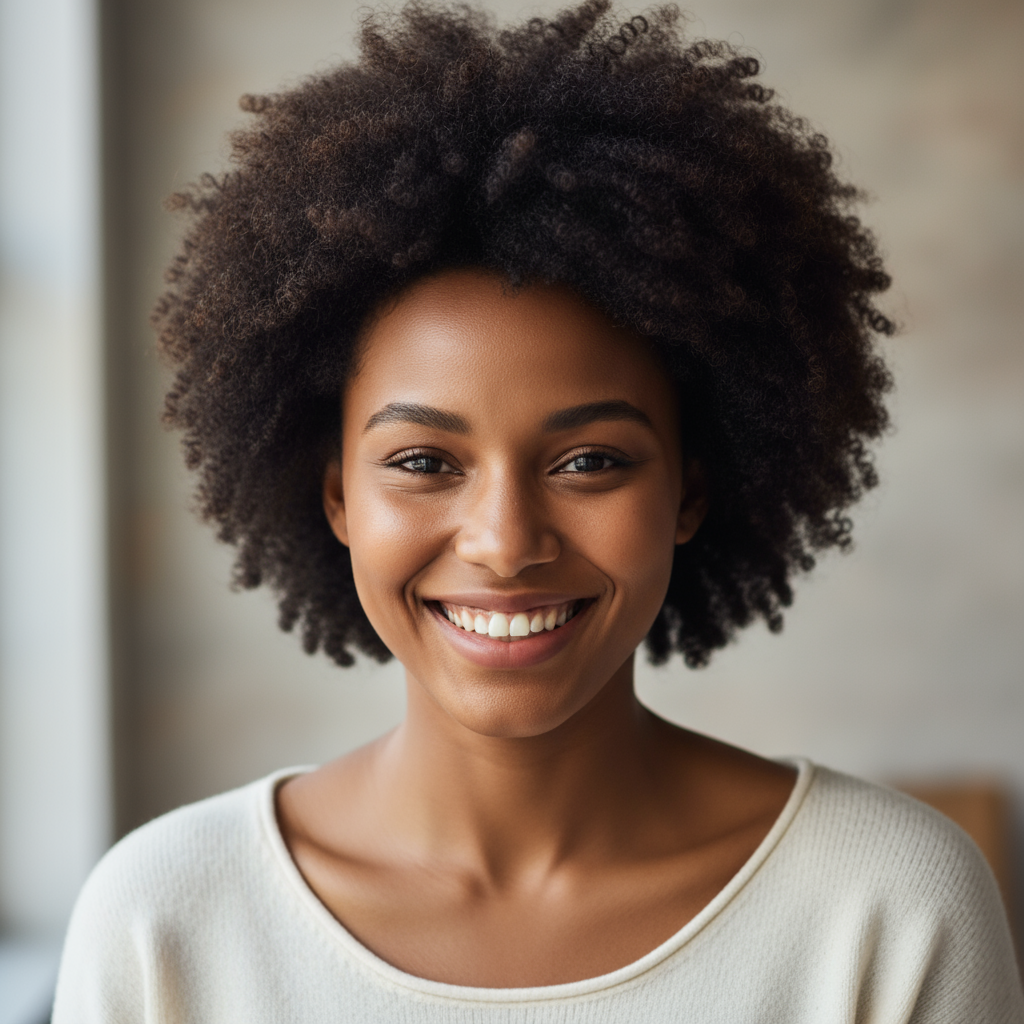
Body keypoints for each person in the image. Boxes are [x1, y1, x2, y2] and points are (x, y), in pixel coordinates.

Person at [53, 1, 1024, 1020]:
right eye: (425, 459)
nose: (505, 542)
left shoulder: (888, 910)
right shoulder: (167, 920)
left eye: (590, 460)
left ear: (689, 488)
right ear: (337, 494)